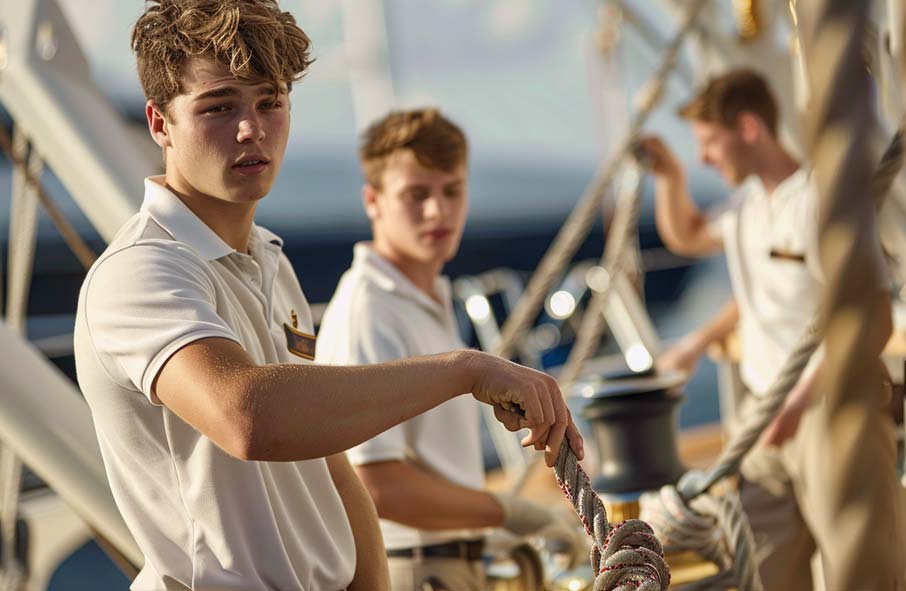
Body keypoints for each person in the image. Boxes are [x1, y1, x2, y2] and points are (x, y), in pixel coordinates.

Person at [72, 2, 583, 590]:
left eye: (270, 101)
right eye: (219, 106)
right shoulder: (140, 270)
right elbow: (249, 418)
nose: (251, 128)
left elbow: (331, 464)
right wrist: (463, 370)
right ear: (160, 123)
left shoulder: (270, 260)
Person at [641, 69, 903, 590]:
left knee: (864, 573)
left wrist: (801, 400)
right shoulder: (747, 210)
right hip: (766, 422)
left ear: (749, 127)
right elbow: (689, 237)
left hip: (830, 414)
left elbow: (871, 317)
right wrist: (669, 177)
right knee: (762, 569)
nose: (705, 159)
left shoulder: (818, 205)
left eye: (710, 143)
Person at [315, 108, 581, 591]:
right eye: (416, 195)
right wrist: (511, 513)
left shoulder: (426, 298)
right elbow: (376, 485)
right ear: (373, 201)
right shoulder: (369, 310)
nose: (437, 211)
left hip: (446, 563)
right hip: (416, 570)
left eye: (451, 190)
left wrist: (483, 532)